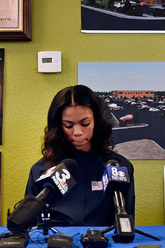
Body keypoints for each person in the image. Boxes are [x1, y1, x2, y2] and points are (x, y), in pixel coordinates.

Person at [24, 85, 135, 227]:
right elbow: (32, 228)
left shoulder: (119, 168)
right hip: (54, 247)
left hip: (105, 246)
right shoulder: (40, 171)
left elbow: (126, 225)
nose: (77, 132)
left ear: (97, 121)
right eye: (69, 125)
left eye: (85, 123)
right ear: (58, 126)